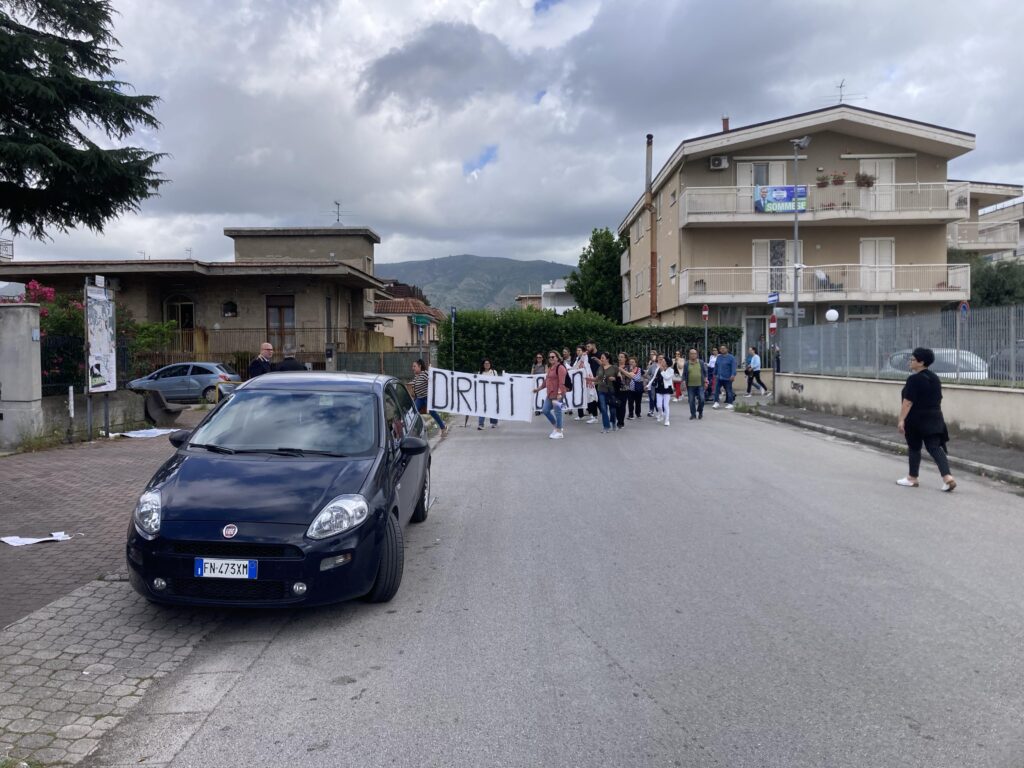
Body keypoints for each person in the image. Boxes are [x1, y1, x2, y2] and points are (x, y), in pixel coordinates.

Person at [896, 347, 956, 491]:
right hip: (935, 417)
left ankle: (912, 478)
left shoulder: (913, 379)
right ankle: (947, 477)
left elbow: (908, 402)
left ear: (921, 362)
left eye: (913, 359)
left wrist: (901, 420)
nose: (910, 361)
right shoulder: (935, 378)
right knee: (935, 447)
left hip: (916, 418)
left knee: (915, 447)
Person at [533, 350, 568, 439]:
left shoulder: (560, 367)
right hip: (550, 393)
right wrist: (538, 389)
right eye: (549, 357)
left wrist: (559, 393)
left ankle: (559, 432)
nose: (551, 358)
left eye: (553, 357)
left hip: (558, 394)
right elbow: (546, 381)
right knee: (545, 410)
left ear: (557, 357)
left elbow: (562, 382)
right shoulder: (551, 367)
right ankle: (557, 427)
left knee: (558, 412)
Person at [411, 359, 447, 437]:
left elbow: (432, 382)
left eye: (414, 366)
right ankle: (417, 431)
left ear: (420, 366)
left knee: (432, 412)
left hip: (427, 397)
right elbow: (414, 387)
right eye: (412, 366)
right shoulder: (416, 377)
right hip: (419, 399)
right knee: (414, 412)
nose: (412, 368)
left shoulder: (425, 374)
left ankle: (443, 427)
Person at [594, 352, 620, 433]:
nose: (601, 359)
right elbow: (597, 379)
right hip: (601, 390)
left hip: (611, 391)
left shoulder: (614, 367)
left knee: (612, 409)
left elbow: (620, 378)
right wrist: (589, 379)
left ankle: (613, 422)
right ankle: (606, 427)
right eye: (601, 358)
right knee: (603, 409)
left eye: (602, 358)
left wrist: (615, 378)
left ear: (607, 359)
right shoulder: (600, 368)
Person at [683, 348, 708, 420]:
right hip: (690, 385)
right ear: (689, 355)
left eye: (694, 353)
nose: (693, 355)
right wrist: (684, 382)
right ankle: (693, 414)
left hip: (700, 384)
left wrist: (706, 381)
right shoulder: (687, 363)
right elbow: (684, 374)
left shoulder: (701, 362)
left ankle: (700, 412)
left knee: (702, 399)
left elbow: (705, 372)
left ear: (697, 355)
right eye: (691, 353)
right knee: (691, 400)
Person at [712, 345, 736, 409]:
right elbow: (716, 365)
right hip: (719, 377)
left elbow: (733, 367)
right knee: (716, 390)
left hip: (728, 377)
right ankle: (716, 402)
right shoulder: (719, 357)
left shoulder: (731, 358)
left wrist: (733, 375)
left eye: (724, 348)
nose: (722, 350)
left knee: (729, 390)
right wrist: (714, 373)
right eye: (721, 348)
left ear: (727, 349)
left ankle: (730, 403)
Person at [477, 358, 499, 430]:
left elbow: (498, 381)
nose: (487, 365)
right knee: (482, 408)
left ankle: (494, 422)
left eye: (488, 363)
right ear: (483, 365)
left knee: (492, 408)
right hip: (482, 394)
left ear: (490, 364)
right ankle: (481, 424)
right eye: (485, 364)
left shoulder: (494, 372)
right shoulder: (480, 373)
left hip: (492, 393)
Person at [653, 354, 675, 426]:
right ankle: (661, 414)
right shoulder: (658, 368)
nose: (662, 361)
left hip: (667, 389)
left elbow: (667, 377)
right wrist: (648, 385)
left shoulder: (671, 370)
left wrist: (662, 371)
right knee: (658, 405)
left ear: (667, 362)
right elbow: (653, 378)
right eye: (662, 360)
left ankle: (667, 420)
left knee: (666, 405)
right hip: (659, 388)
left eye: (664, 360)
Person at [645, 350, 660, 417]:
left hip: (658, 384)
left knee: (657, 398)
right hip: (651, 383)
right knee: (651, 397)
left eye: (653, 354)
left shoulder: (660, 364)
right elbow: (647, 373)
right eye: (650, 354)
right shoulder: (651, 364)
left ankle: (658, 410)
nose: (651, 355)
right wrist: (650, 379)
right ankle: (651, 410)